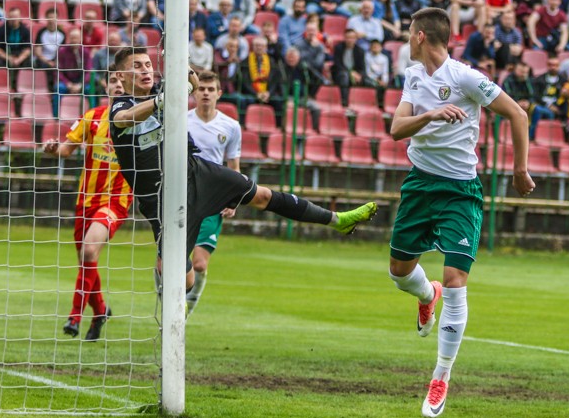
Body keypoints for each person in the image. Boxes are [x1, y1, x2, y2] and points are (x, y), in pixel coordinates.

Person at [108, 48, 377, 295]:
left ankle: (338, 220)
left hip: (196, 173)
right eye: (137, 66)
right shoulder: (121, 106)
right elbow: (125, 119)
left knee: (261, 196)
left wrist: (180, 62)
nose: (145, 70)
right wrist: (161, 101)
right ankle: (171, 298)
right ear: (120, 75)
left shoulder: (160, 91)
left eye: (147, 64)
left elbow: (192, 82)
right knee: (182, 278)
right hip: (162, 199)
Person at [387, 7, 533, 418]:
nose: (407, 39)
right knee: (399, 273)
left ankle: (441, 376)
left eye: (409, 32)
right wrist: (431, 114)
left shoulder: (466, 77)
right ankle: (425, 294)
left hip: (459, 192)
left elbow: (518, 114)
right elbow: (396, 130)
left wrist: (519, 170)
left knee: (455, 281)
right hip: (419, 185)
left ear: (420, 36)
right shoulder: (413, 76)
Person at [42, 73, 133, 341]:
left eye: (122, 81)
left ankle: (74, 317)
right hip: (86, 201)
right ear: (106, 86)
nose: (118, 85)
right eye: (113, 81)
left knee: (89, 251)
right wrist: (53, 149)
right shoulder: (92, 116)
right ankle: (101, 310)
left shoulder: (138, 120)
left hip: (116, 201)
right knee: (86, 260)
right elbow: (66, 150)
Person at [183, 72, 242, 316]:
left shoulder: (231, 126)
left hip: (212, 198)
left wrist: (233, 198)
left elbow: (234, 166)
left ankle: (187, 310)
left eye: (210, 89)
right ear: (194, 93)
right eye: (202, 89)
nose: (206, 93)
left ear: (219, 93)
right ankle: (166, 304)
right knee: (166, 262)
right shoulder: (182, 121)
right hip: (182, 195)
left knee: (199, 263)